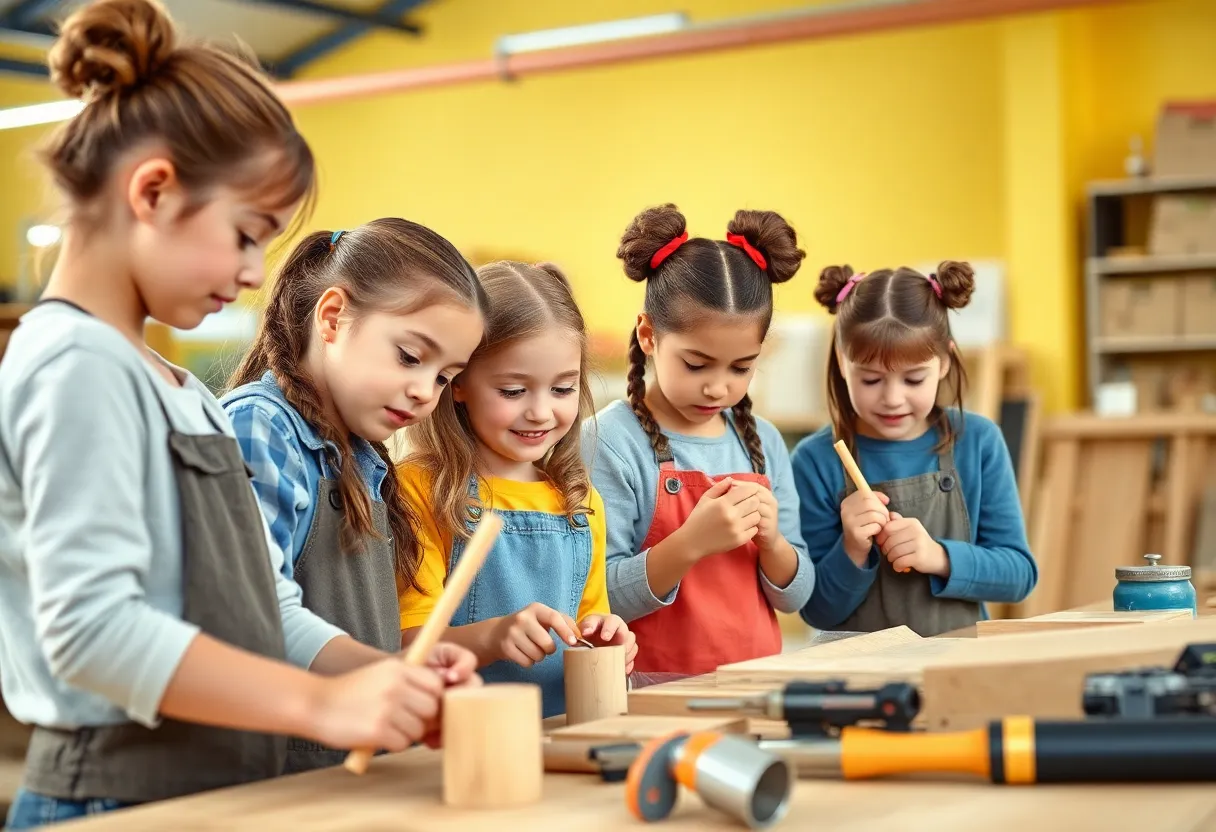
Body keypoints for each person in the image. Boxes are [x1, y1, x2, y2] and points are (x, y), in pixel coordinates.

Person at [0, 2, 472, 827]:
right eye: (247, 234)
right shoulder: (76, 365)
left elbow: (263, 613)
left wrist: (376, 680)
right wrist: (319, 709)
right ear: (152, 191)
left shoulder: (175, 390)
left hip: (208, 789)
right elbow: (93, 633)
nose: (258, 274)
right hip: (111, 794)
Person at [220, 217, 486, 771]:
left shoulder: (366, 457)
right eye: (411, 357)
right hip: (274, 784)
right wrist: (377, 670)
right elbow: (251, 616)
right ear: (334, 317)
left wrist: (409, 664)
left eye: (443, 377)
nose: (424, 392)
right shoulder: (260, 428)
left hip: (349, 777)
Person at [582, 204, 815, 677]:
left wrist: (773, 543)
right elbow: (597, 600)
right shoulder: (610, 441)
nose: (718, 388)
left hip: (755, 684)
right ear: (648, 335)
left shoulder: (763, 442)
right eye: (696, 364)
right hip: (649, 691)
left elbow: (797, 596)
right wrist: (688, 544)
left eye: (741, 367)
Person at [399, 261, 635, 718]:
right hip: (457, 743)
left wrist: (606, 635)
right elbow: (410, 643)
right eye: (513, 391)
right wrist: (491, 637)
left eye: (563, 388)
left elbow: (589, 621)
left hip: (561, 736)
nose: (542, 413)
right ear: (459, 382)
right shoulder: (421, 490)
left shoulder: (580, 502)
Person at [792, 262, 1037, 637]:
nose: (893, 399)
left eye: (913, 378)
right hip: (856, 680)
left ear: (944, 362)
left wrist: (938, 556)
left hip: (957, 669)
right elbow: (817, 611)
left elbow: (1019, 575)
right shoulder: (815, 461)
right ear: (842, 363)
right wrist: (853, 548)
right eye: (871, 379)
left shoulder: (978, 442)